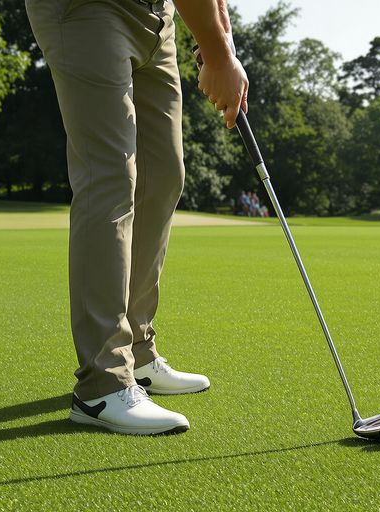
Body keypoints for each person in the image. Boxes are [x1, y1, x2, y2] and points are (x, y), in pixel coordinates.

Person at [25, 0, 248, 435]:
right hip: (87, 8)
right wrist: (219, 58)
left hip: (157, 18)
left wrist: (220, 43)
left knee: (163, 174)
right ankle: (102, 384)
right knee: (110, 176)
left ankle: (139, 356)